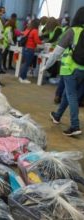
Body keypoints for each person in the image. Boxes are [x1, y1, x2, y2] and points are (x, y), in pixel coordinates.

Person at [44, 7, 84, 136]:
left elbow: (57, 52)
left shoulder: (72, 31)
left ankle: (75, 125)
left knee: (71, 96)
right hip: (82, 70)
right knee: (68, 94)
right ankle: (57, 115)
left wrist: (46, 66)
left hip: (70, 69)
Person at [18, 19, 42, 84]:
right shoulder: (35, 31)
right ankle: (23, 78)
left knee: (24, 63)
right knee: (26, 64)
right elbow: (37, 41)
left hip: (25, 48)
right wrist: (42, 42)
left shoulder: (28, 29)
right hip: (30, 49)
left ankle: (21, 77)